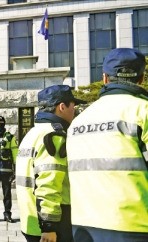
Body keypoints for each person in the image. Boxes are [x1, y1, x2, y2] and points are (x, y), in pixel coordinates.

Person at [67, 48, 148, 241]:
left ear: (105, 78)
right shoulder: (142, 111)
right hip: (133, 226)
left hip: (83, 226)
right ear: (142, 78)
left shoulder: (78, 121)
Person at [15, 85, 85, 242]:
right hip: (54, 224)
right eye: (73, 106)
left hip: (31, 220)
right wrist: (49, 226)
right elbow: (48, 184)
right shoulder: (54, 136)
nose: (74, 111)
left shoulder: (32, 134)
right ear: (62, 107)